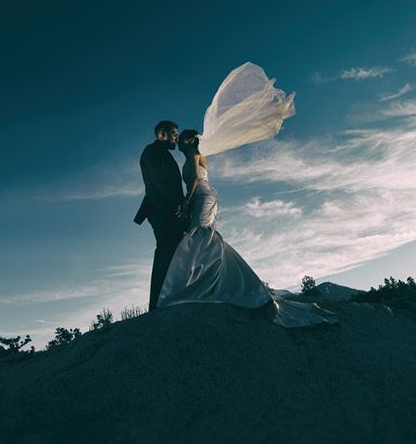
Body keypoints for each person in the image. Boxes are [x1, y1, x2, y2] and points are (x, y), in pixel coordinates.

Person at [157, 129, 337, 327]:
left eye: (181, 139)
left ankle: (202, 284)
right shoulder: (191, 156)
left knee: (199, 235)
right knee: (200, 237)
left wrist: (185, 202)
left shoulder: (193, 153)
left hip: (202, 196)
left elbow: (194, 180)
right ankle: (209, 282)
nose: (179, 143)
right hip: (201, 197)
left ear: (189, 141)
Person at [134, 120, 186, 311]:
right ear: (161, 134)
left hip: (167, 209)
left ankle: (169, 298)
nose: (176, 137)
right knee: (165, 252)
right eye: (173, 133)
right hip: (161, 210)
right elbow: (161, 180)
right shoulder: (152, 152)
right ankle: (157, 304)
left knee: (173, 252)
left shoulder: (160, 153)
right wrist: (179, 202)